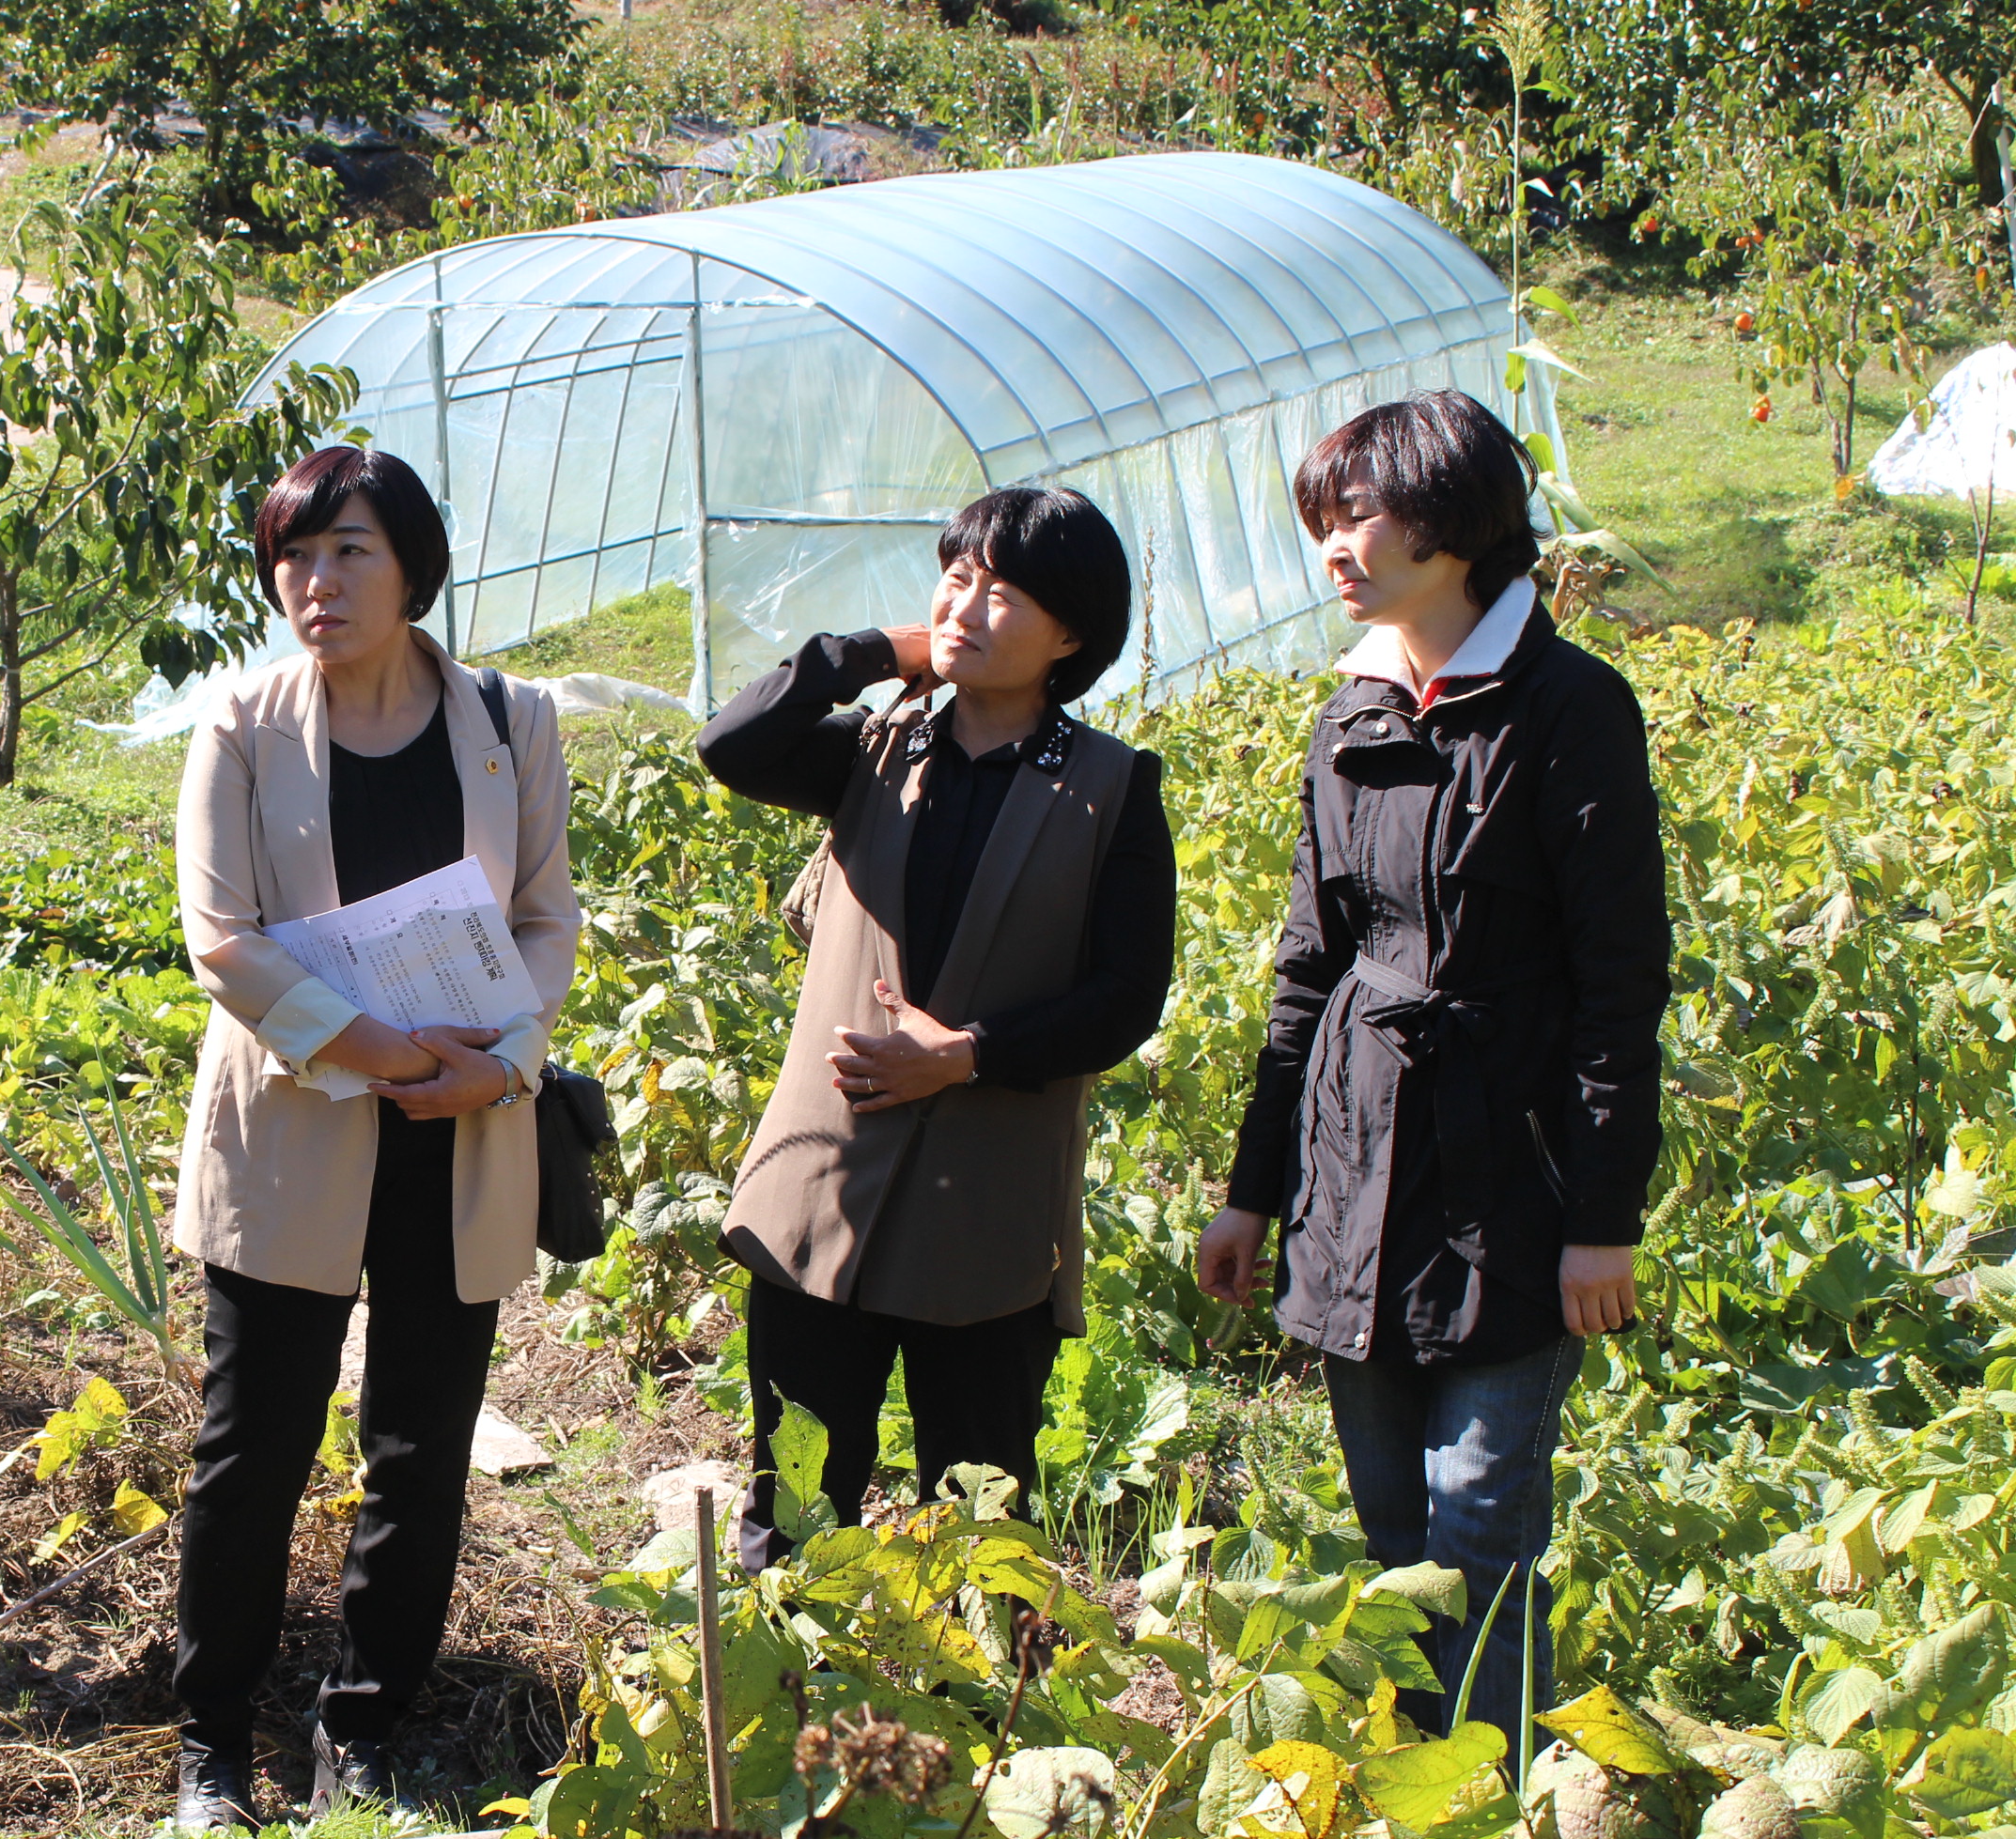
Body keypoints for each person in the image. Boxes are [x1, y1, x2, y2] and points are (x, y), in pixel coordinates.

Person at [1196, 390, 1669, 1765]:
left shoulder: (1571, 711)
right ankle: (1429, 1785)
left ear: (1453, 525)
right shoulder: (1351, 715)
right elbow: (1309, 967)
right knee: (1395, 1529)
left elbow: (1617, 985)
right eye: (1322, 524)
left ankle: (1496, 1797)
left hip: (1507, 1168)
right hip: (1357, 1160)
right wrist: (1253, 1191)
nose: (1335, 547)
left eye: (1360, 516)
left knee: (1477, 1513)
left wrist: (1601, 1215)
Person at [167, 445, 580, 1831]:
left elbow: (542, 919)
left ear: (414, 567)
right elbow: (220, 940)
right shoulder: (240, 722)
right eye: (293, 554)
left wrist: (503, 1063)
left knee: (419, 1451)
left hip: (457, 1133)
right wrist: (393, 1052)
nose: (316, 582)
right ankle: (213, 1742)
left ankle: (365, 1730)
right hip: (301, 1126)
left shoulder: (509, 724)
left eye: (349, 551)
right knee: (256, 1447)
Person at [702, 486, 1174, 1570]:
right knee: (797, 1503)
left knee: (980, 1513)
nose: (966, 607)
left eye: (1003, 593)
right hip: (820, 1186)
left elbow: (1125, 996)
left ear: (1072, 635)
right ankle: (791, 1712)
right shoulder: (873, 748)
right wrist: (870, 650)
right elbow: (728, 744)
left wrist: (966, 1057)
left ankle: (973, 1731)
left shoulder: (1109, 790)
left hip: (987, 1206)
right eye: (956, 579)